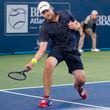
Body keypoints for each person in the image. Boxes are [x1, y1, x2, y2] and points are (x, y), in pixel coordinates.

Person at [26, 1, 87, 108]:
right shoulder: (44, 27)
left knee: (81, 80)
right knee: (49, 64)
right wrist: (32, 62)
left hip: (71, 50)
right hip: (57, 49)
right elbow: (42, 49)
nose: (46, 14)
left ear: (51, 7)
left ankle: (78, 87)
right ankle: (46, 97)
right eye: (43, 13)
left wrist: (76, 26)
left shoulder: (66, 13)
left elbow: (78, 26)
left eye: (47, 10)